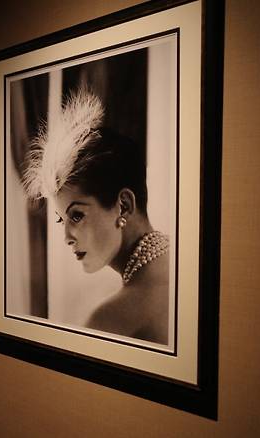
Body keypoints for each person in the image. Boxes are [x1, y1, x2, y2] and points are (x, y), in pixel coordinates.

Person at [22, 89, 169, 344]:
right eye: (61, 219)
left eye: (77, 215)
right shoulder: (180, 264)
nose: (67, 237)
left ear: (123, 205)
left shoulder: (110, 320)